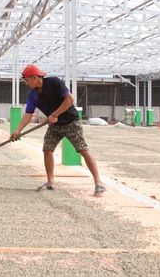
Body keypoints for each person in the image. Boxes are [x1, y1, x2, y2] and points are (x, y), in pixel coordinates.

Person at [10, 64, 105, 197]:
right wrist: (18, 130)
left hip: (71, 122)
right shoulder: (33, 95)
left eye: (26, 80)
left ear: (34, 77)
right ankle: (50, 182)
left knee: (82, 150)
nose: (26, 83)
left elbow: (70, 99)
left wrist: (54, 114)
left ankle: (98, 183)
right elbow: (28, 114)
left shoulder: (54, 82)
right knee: (47, 149)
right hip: (55, 126)